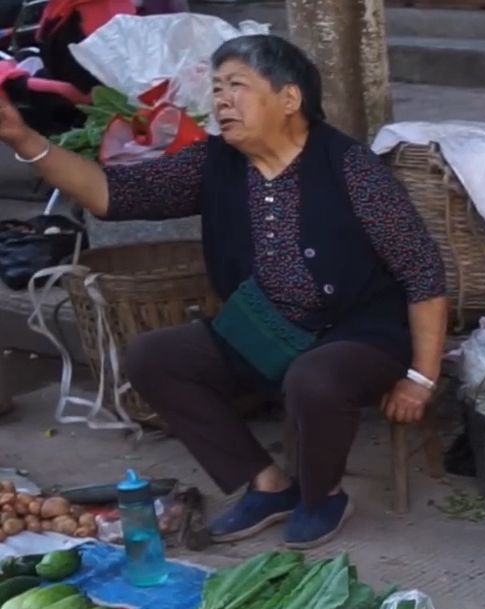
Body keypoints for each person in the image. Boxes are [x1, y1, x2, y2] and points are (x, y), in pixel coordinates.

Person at [0, 34, 448, 549]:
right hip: (267, 329)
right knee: (153, 356)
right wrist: (23, 139)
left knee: (314, 376)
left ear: (289, 98)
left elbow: (422, 269)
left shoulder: (350, 168)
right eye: (216, 89)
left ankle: (321, 495)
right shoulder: (213, 164)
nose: (221, 101)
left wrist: (421, 377)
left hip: (361, 334)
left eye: (237, 86)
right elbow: (110, 193)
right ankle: (268, 483)